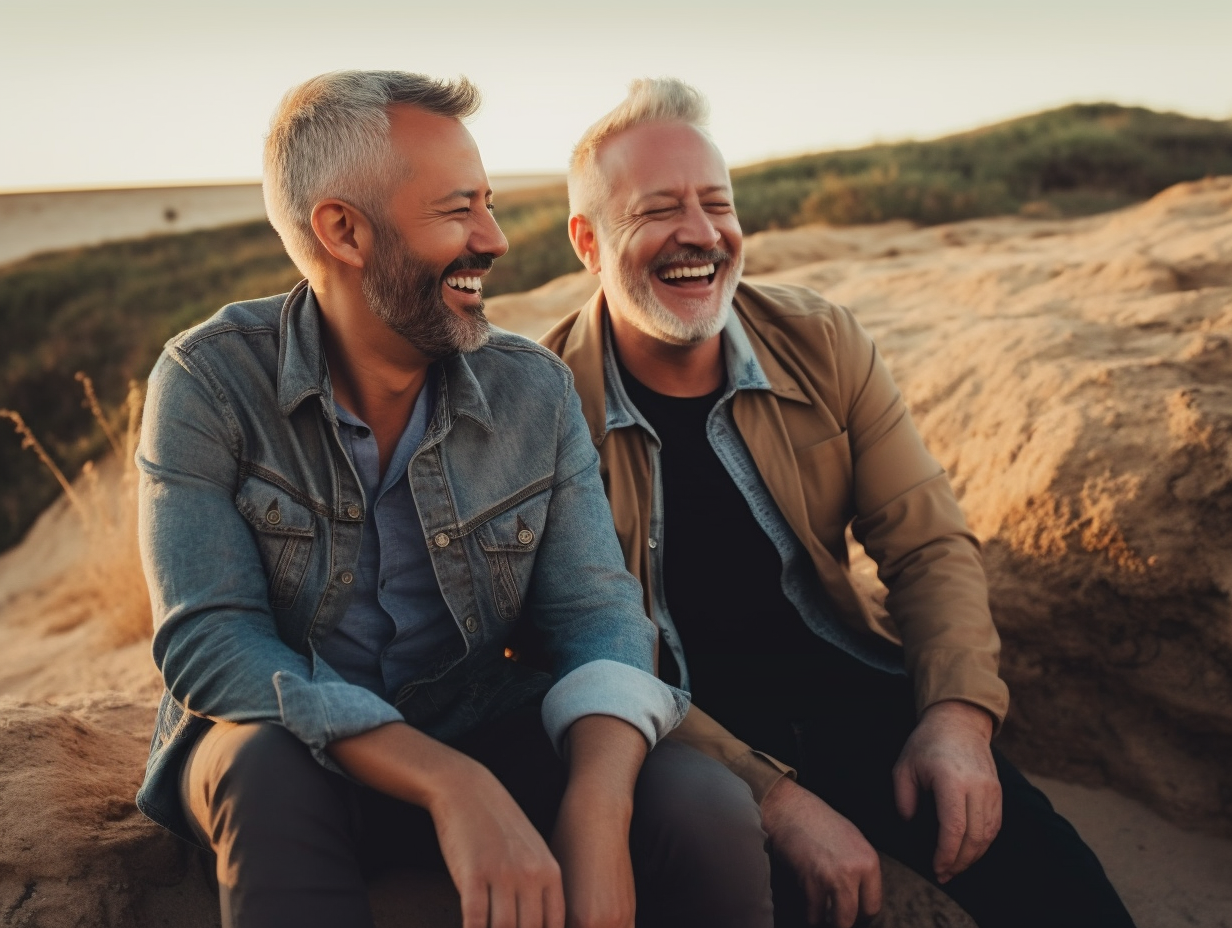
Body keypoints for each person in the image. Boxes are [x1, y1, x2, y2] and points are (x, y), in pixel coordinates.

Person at [134, 70, 770, 928]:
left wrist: (596, 804)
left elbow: (600, 617)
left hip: (476, 722)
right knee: (263, 770)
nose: (495, 238)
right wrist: (445, 779)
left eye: (491, 203)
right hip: (292, 749)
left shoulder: (532, 393)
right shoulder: (208, 381)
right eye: (458, 210)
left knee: (701, 803)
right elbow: (210, 641)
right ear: (344, 231)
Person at [541, 78, 1137, 928]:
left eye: (718, 203)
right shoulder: (543, 404)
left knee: (1066, 893)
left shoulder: (822, 339)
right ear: (588, 242)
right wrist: (775, 800)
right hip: (679, 737)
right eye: (659, 210)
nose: (702, 234)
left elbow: (926, 543)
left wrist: (957, 718)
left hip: (846, 690)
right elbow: (561, 648)